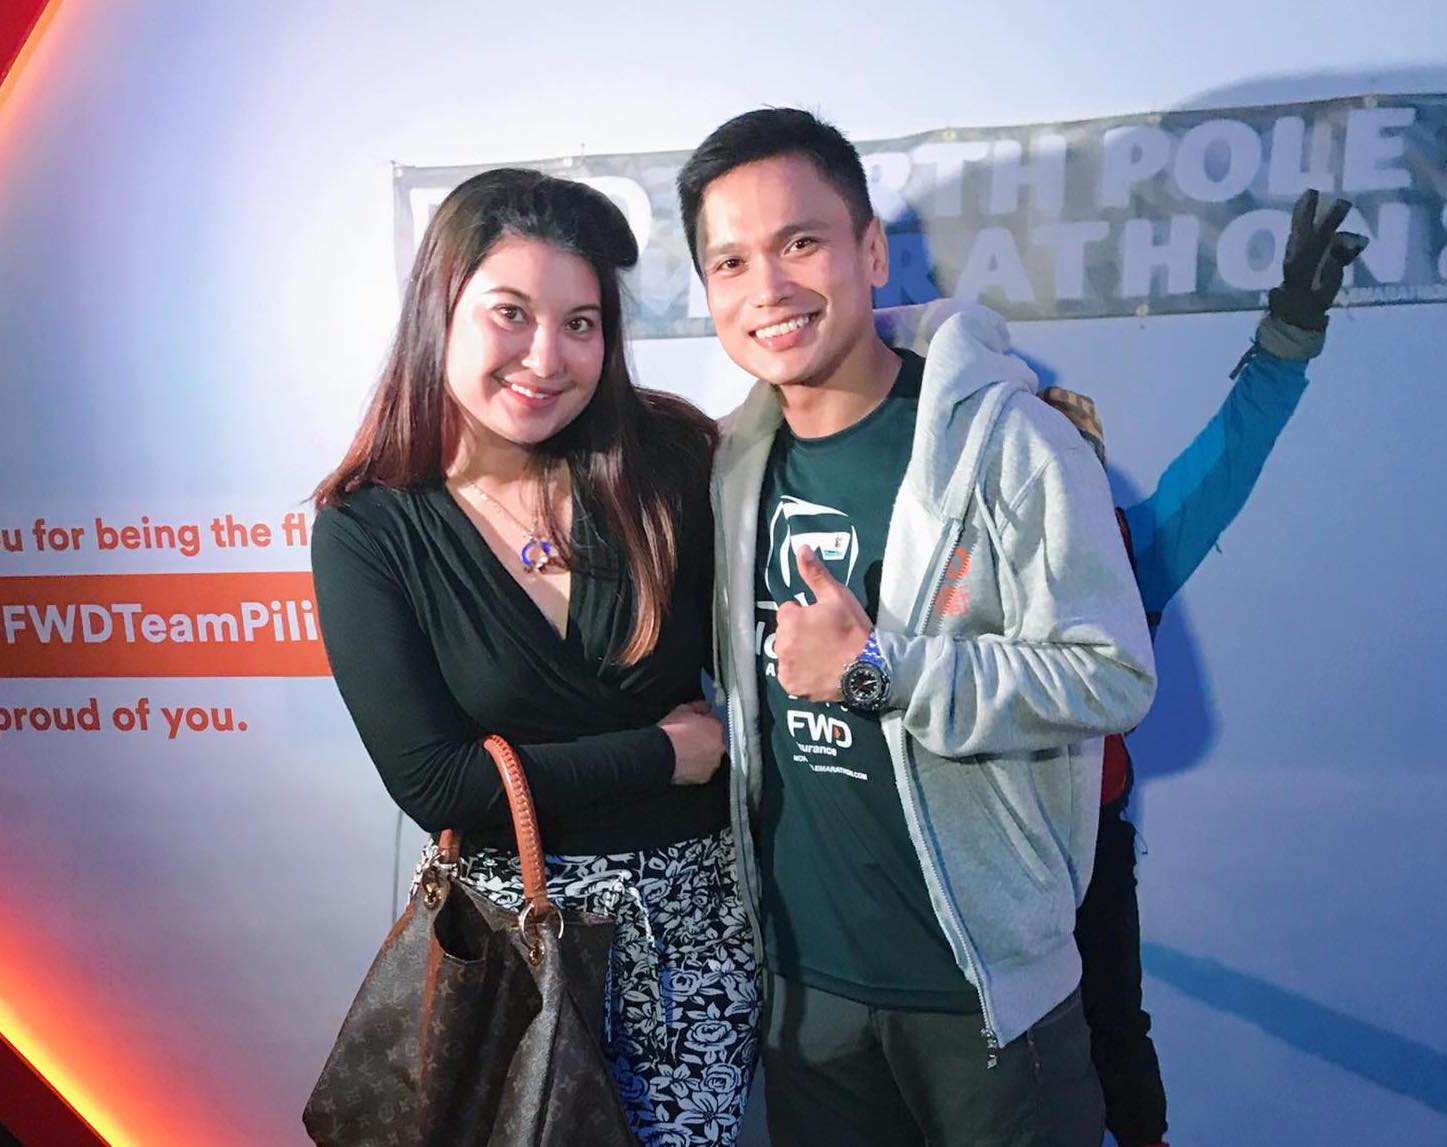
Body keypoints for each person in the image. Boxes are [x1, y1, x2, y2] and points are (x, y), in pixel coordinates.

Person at [678, 108, 1156, 1147]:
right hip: (804, 995)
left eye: (800, 242)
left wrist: (879, 669)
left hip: (982, 990)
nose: (768, 288)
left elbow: (1112, 674)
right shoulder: (724, 467)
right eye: (731, 261)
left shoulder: (1011, 443)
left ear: (869, 251)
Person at [309, 168, 758, 1146]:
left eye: (580, 323)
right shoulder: (370, 526)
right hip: (513, 953)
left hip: (693, 943)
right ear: (441, 310)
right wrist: (662, 753)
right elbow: (437, 783)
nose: (547, 358)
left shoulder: (669, 460)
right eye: (510, 313)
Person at [1038, 189, 1368, 1147]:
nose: (1056, 481)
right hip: (975, 853)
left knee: (1111, 1029)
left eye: (1075, 458)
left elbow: (1229, 450)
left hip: (1087, 847)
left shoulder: (1128, 554)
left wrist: (1290, 329)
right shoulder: (942, 563)